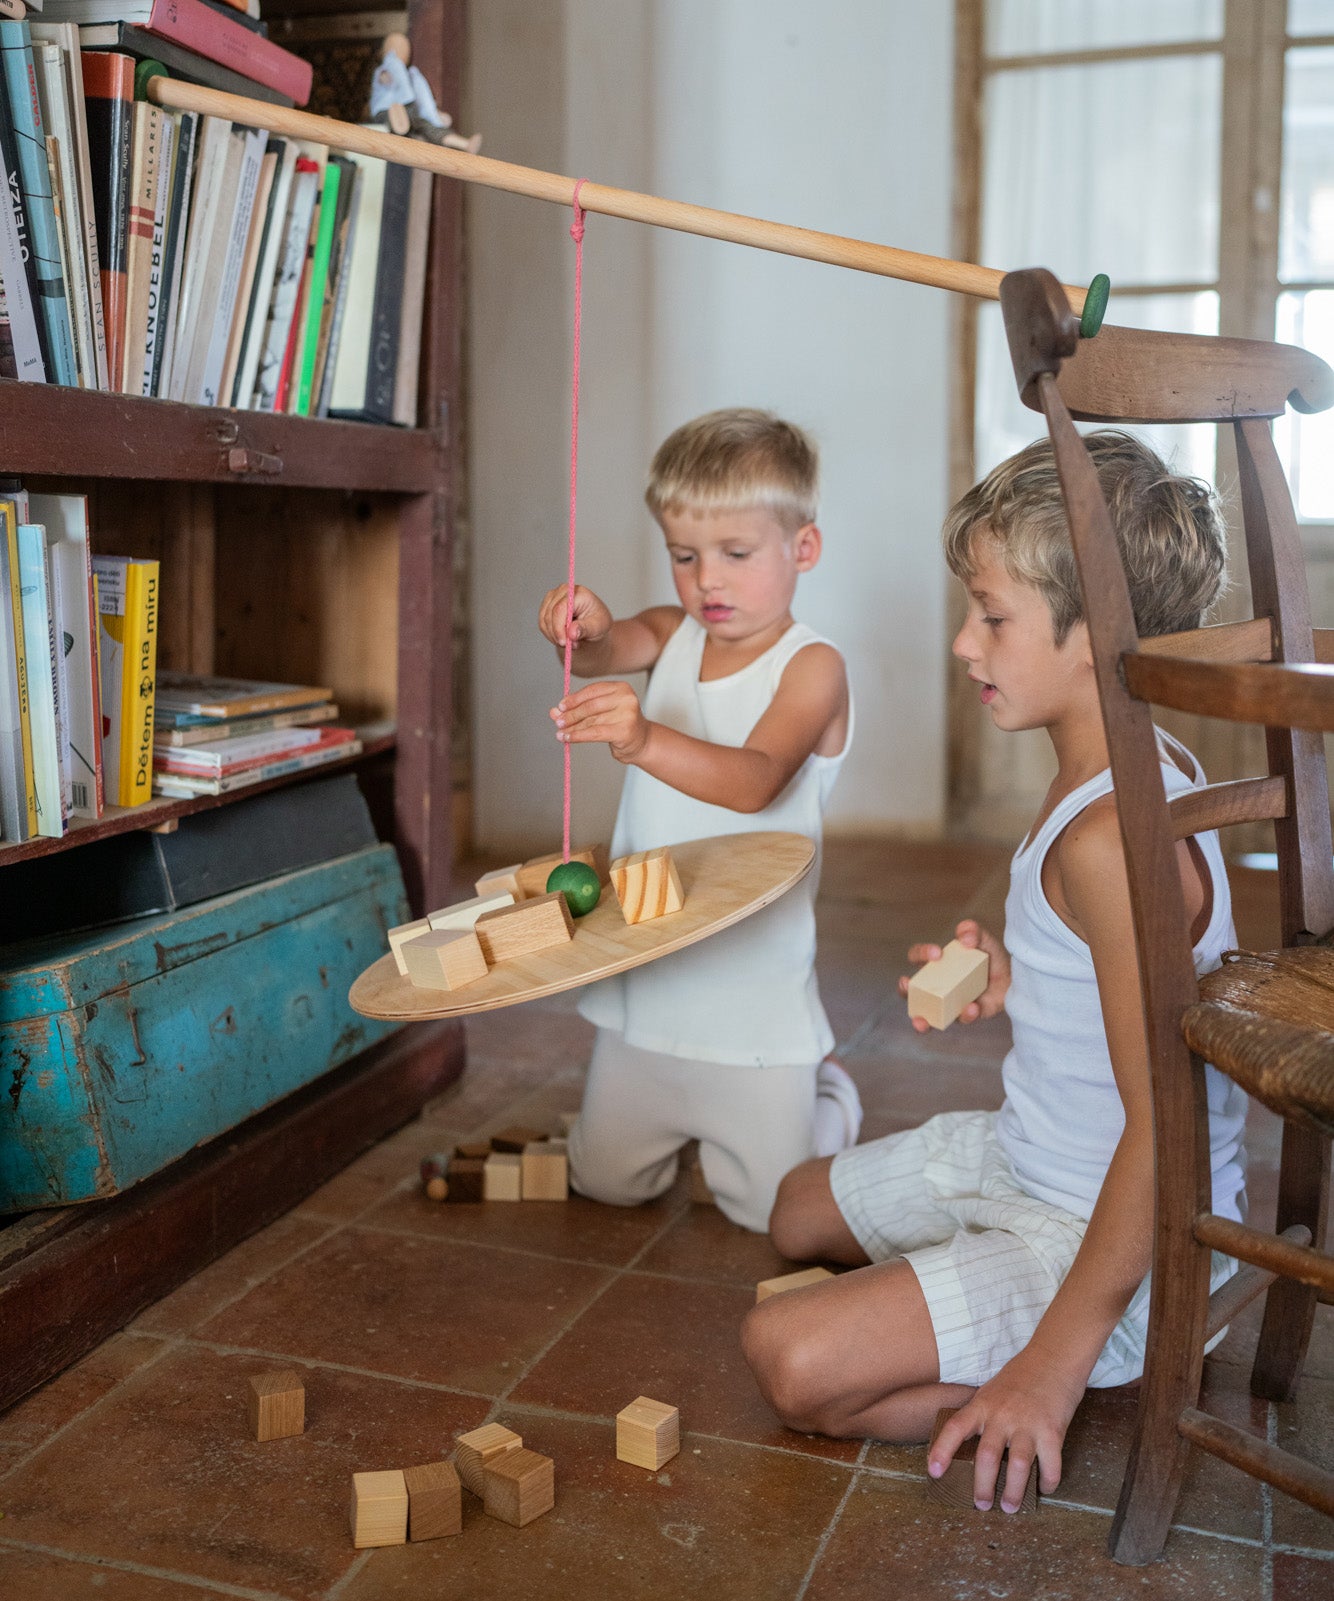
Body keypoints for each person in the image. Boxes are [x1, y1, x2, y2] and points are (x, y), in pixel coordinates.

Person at [741, 430, 1247, 1512]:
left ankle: (1070, 1374)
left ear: (1092, 635)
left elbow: (1169, 1126)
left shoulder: (1110, 840)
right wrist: (1014, 982)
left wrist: (1050, 1359)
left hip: (1108, 1229)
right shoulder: (1106, 776)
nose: (964, 644)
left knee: (788, 1356)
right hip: (1032, 1157)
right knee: (793, 1211)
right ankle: (991, 1314)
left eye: (992, 615)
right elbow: (1117, 998)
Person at [537, 407, 862, 1233]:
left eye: (735, 554)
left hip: (753, 997)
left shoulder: (813, 667)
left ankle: (826, 1093)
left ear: (804, 548)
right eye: (684, 555)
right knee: (606, 1179)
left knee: (767, 1213)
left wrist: (643, 737)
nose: (706, 580)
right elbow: (613, 647)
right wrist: (586, 626)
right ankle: (670, 1115)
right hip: (651, 981)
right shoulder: (675, 630)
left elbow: (755, 780)